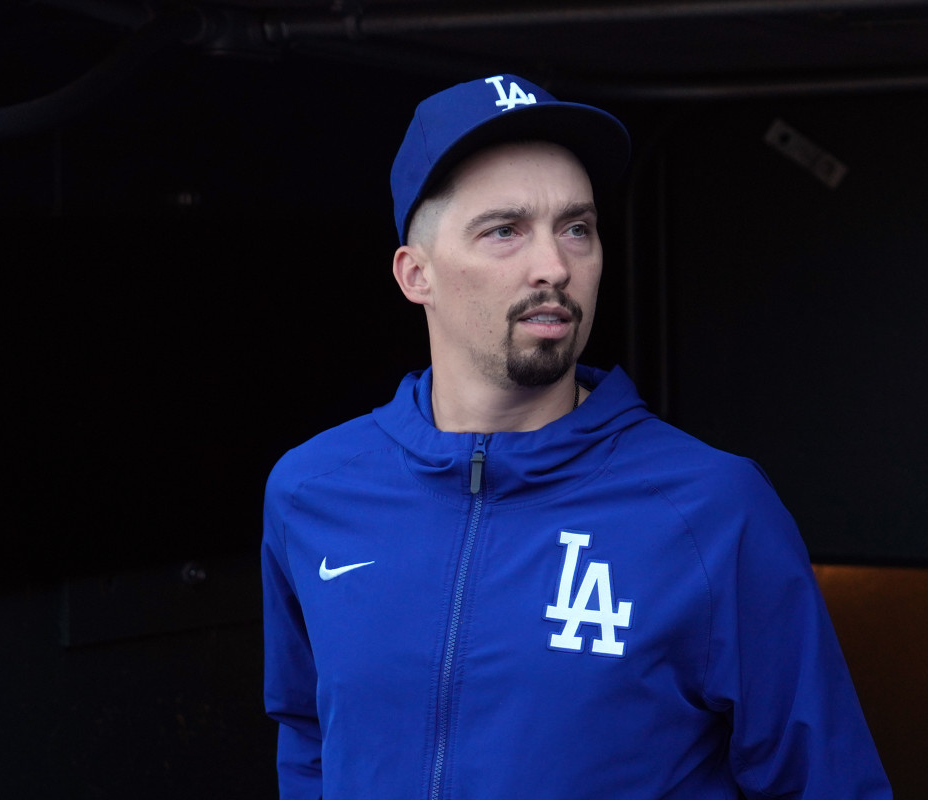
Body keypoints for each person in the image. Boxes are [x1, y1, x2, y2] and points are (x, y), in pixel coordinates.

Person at [261, 73, 892, 799]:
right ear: (416, 274)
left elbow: (825, 784)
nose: (554, 267)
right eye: (505, 231)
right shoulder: (314, 490)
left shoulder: (710, 508)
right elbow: (309, 736)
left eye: (577, 228)